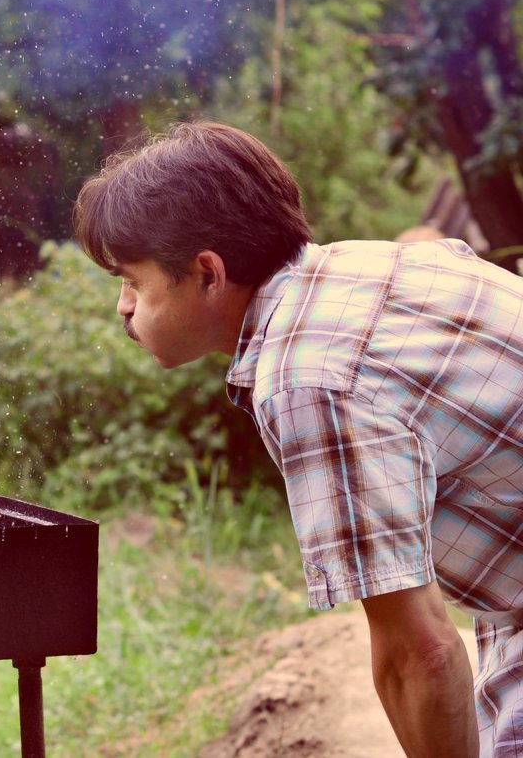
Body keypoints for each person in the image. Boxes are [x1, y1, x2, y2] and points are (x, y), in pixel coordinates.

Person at [73, 120, 523, 758]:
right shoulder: (365, 265)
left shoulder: (310, 381)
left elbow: (417, 652)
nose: (122, 308)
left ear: (206, 273)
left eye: (132, 281)